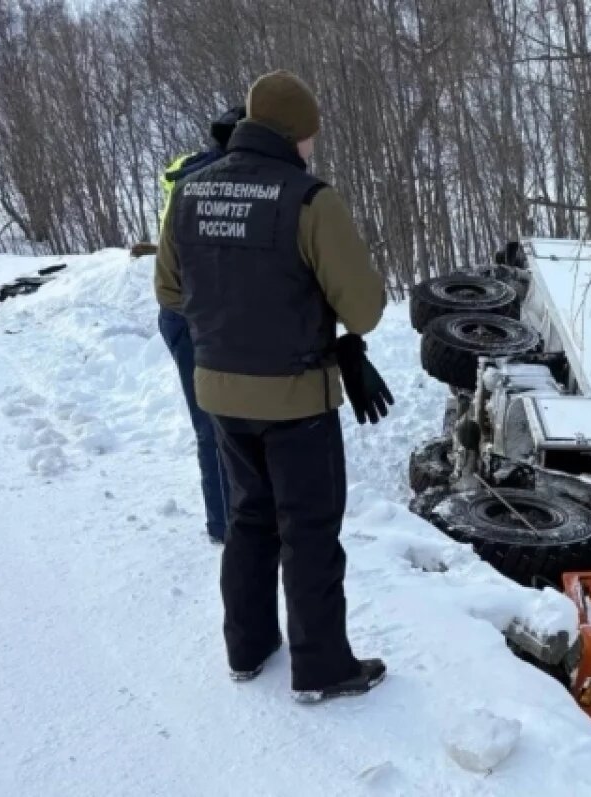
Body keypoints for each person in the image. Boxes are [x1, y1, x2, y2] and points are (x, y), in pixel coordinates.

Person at [154, 70, 392, 703]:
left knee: (249, 519)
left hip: (220, 394)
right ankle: (322, 668)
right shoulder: (309, 199)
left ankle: (247, 648)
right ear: (295, 134)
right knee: (309, 529)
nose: (314, 147)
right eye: (311, 136)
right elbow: (364, 309)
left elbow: (170, 293)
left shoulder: (190, 191)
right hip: (296, 400)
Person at [154, 106, 245, 545]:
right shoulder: (217, 183)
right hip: (197, 316)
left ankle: (230, 521)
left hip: (184, 315)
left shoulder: (188, 171)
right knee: (217, 425)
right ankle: (226, 526)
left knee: (215, 423)